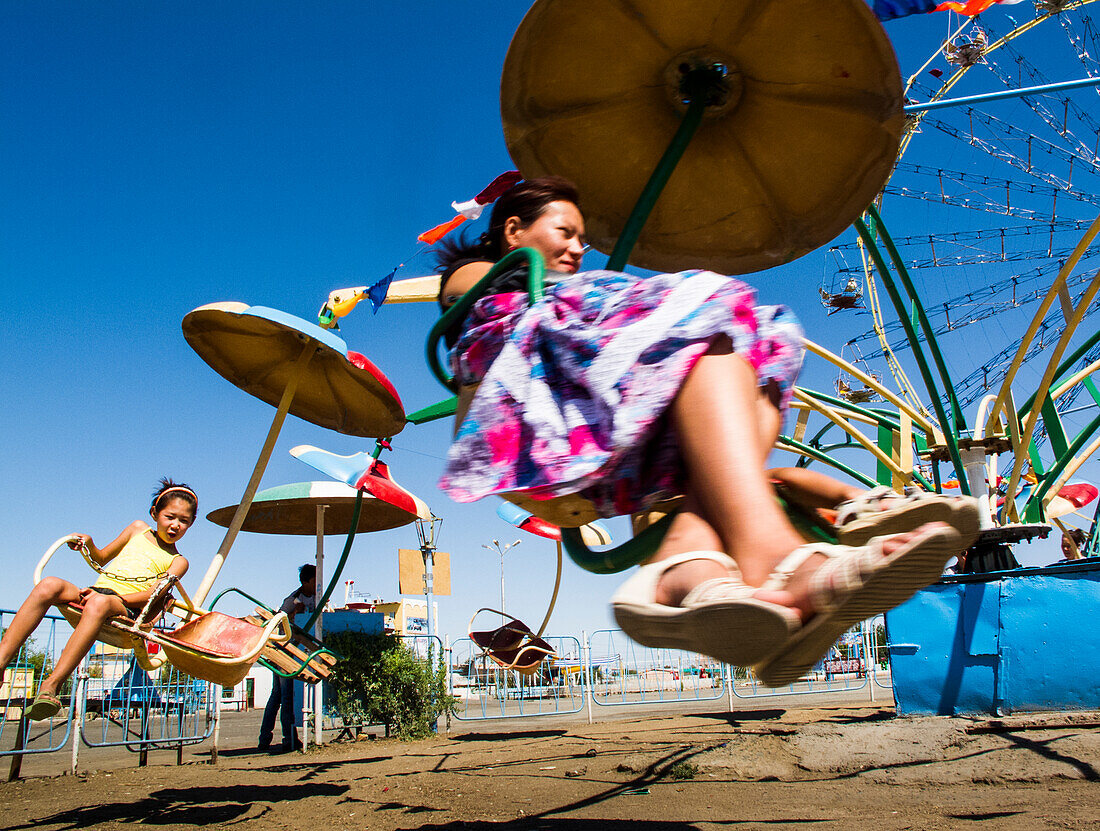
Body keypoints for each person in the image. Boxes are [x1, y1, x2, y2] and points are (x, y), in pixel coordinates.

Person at [434, 176, 978, 686]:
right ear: (513, 230)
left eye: (584, 238)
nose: (579, 248)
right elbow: (483, 310)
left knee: (763, 339)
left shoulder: (573, 293)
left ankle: (688, 562)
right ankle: (770, 553)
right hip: (544, 414)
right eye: (566, 232)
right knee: (705, 312)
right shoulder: (473, 274)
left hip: (622, 427)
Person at [0, 479, 194, 720]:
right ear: (155, 513)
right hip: (97, 592)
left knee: (100, 602)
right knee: (48, 584)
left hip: (127, 607)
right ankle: (1, 661)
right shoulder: (137, 529)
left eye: (183, 521)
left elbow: (152, 595)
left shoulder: (178, 561)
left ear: (190, 524)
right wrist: (88, 544)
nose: (175, 525)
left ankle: (52, 685)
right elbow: (101, 559)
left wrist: (116, 596)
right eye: (170, 517)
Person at [257, 564, 316, 753]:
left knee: (277, 696)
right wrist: (292, 615)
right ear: (306, 581)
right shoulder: (291, 601)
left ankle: (266, 738)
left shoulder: (317, 598)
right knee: (285, 696)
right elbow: (279, 622)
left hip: (295, 652)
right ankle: (288, 738)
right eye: (315, 580)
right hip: (284, 652)